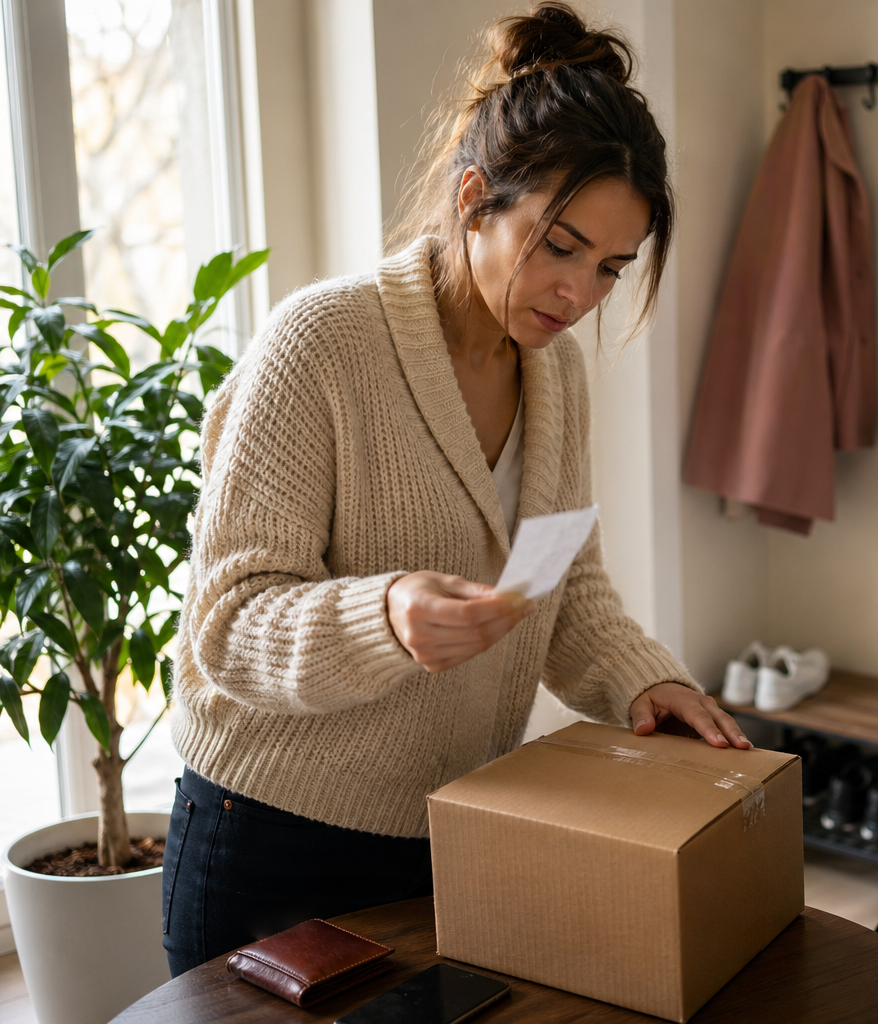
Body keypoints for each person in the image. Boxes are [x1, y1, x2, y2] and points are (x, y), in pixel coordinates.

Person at [162, 3, 749, 977]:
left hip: (446, 827)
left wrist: (650, 681)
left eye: (610, 268)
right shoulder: (320, 347)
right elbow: (225, 625)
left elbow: (563, 589)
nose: (579, 295)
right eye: (559, 247)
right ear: (475, 198)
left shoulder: (553, 375)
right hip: (267, 836)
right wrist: (385, 614)